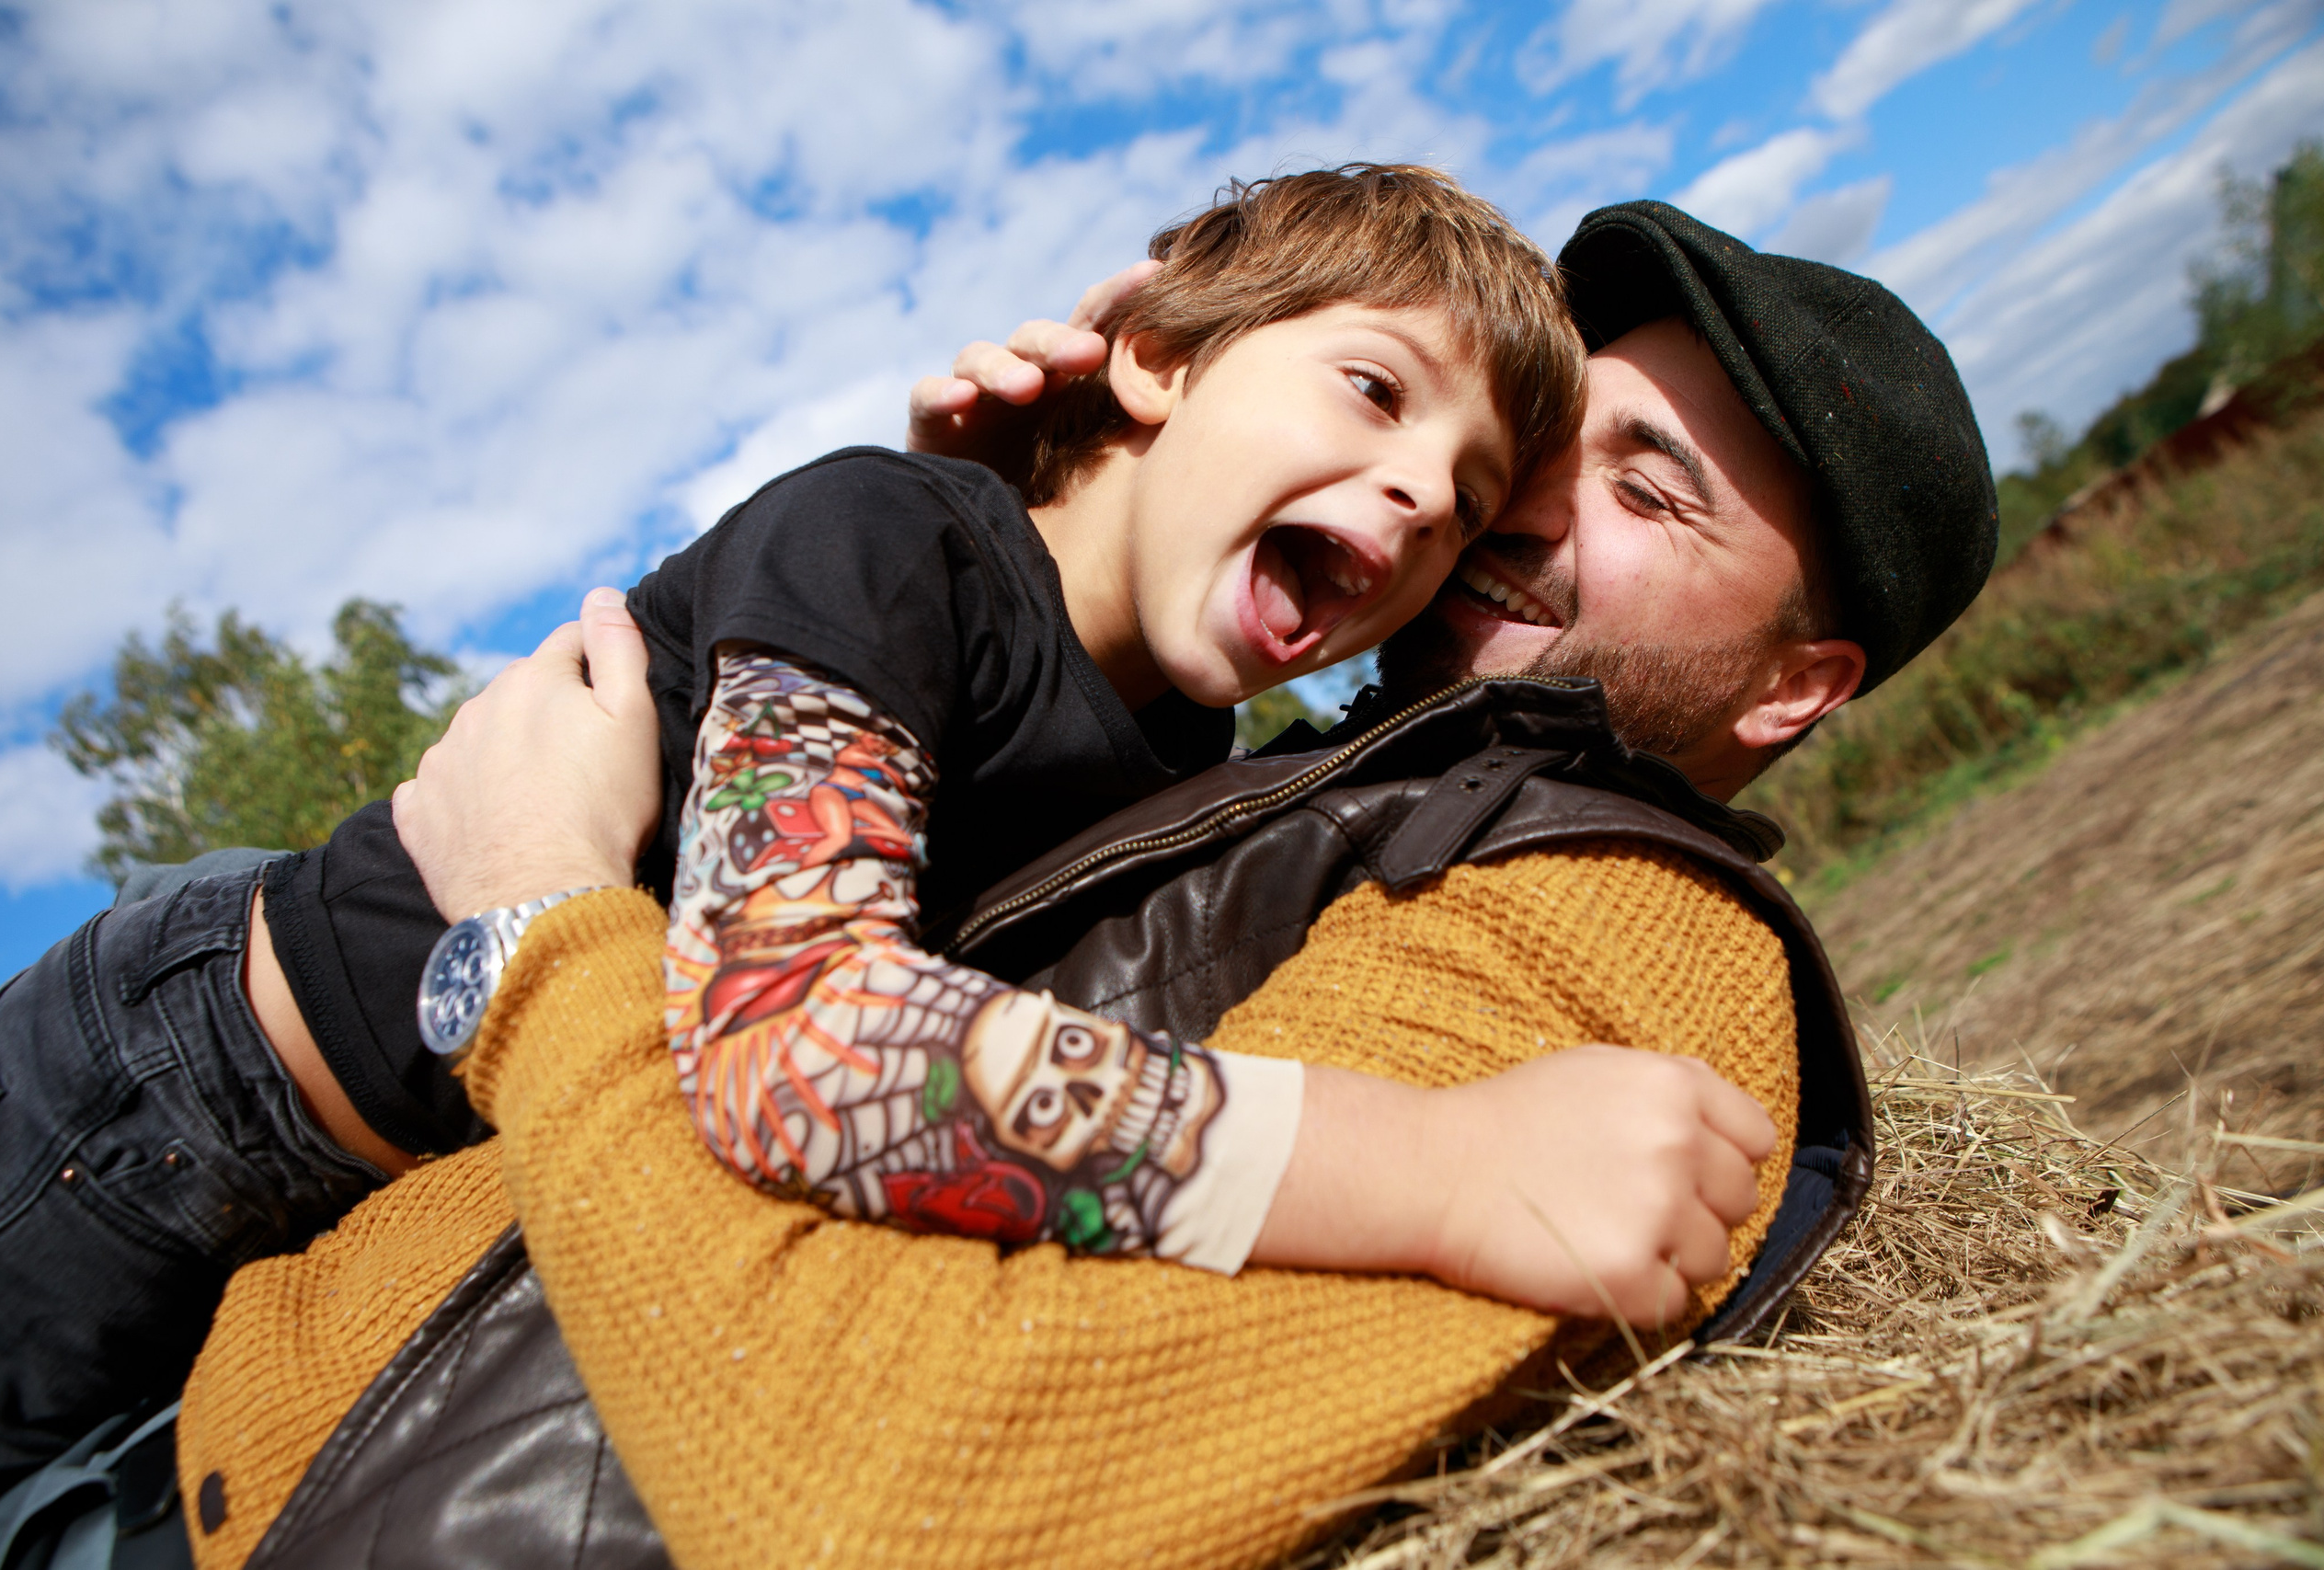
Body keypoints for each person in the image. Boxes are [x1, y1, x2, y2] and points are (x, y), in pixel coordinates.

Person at [155, 200, 1995, 1570]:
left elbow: (890, 1504)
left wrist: (536, 921)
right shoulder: (1328, 774)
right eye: (1536, 453)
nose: (1496, 511)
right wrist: (1011, 598)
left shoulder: (1603, 923)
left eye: (1649, 494)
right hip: (237, 1341)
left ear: (1793, 687)